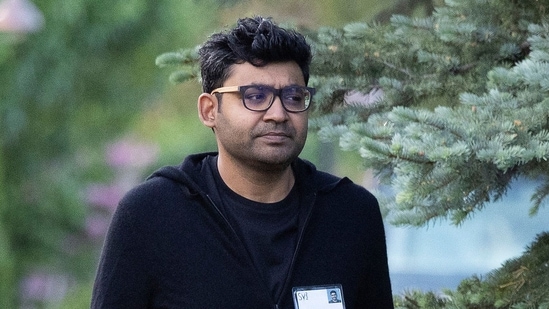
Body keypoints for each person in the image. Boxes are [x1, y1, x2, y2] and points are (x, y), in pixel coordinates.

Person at [91, 16, 393, 309]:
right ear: (210, 110)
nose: (278, 113)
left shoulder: (351, 214)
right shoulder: (152, 214)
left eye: (293, 96)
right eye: (256, 96)